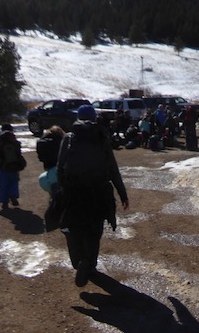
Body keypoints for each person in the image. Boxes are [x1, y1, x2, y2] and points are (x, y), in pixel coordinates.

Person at [56, 105, 130, 287]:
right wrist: (122, 193)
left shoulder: (69, 137)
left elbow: (60, 166)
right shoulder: (101, 137)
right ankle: (90, 263)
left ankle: (79, 261)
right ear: (94, 118)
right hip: (98, 192)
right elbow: (112, 168)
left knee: (74, 228)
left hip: (75, 192)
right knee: (94, 231)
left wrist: (62, 190)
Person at [36, 126, 65, 231]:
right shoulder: (62, 140)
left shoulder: (42, 143)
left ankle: (55, 211)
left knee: (53, 192)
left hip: (49, 173)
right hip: (61, 170)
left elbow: (40, 158)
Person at [0, 123, 26, 210]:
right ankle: (13, 195)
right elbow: (18, 152)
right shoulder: (14, 140)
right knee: (14, 181)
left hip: (2, 166)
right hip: (14, 165)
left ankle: (4, 201)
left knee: (4, 184)